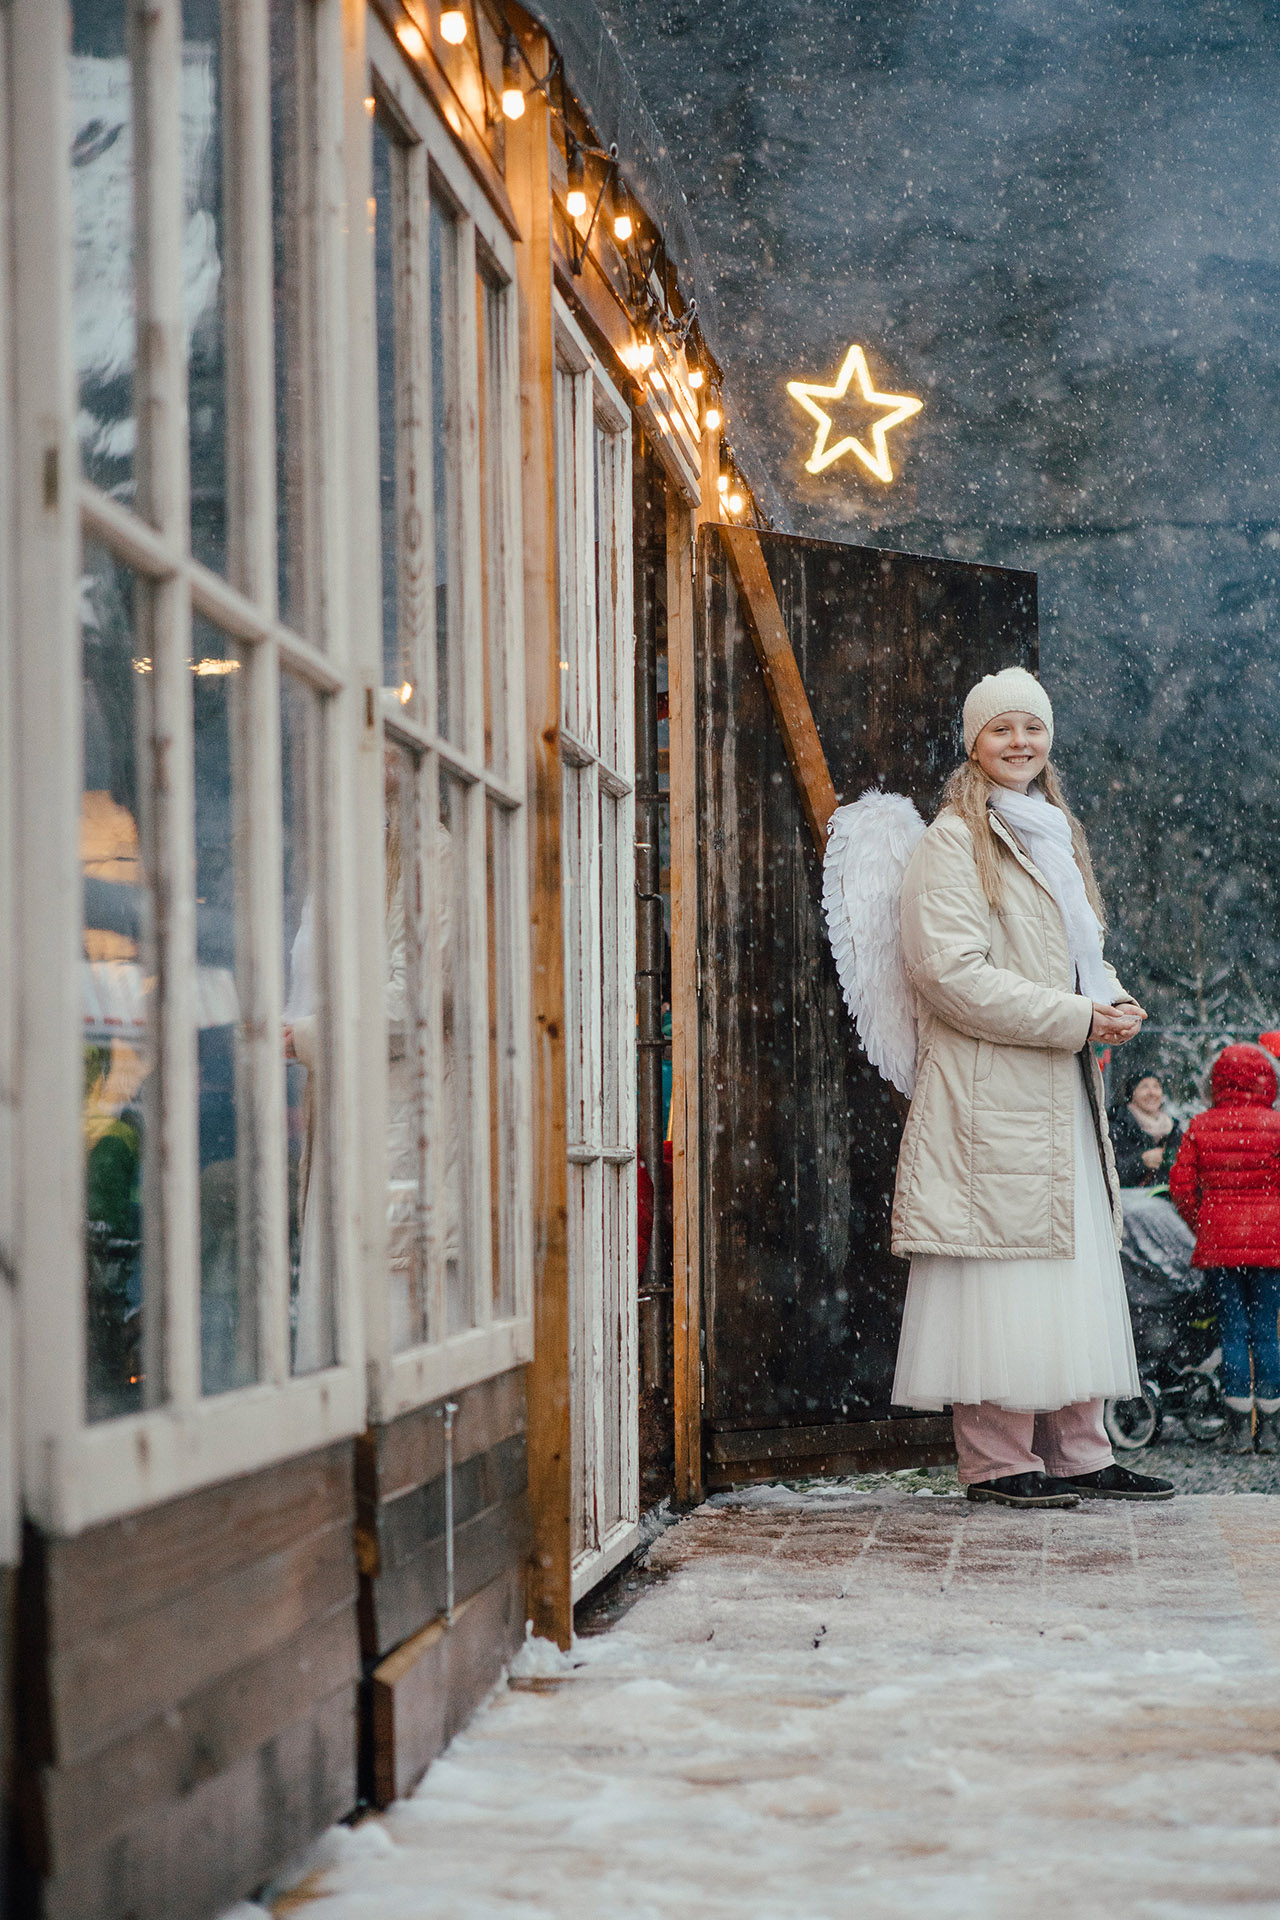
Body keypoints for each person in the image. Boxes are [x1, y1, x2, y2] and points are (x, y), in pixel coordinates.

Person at [890, 666, 1173, 1506]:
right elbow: (950, 975)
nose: (1021, 743)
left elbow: (1074, 960)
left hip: (1061, 1092)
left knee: (1073, 1269)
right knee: (999, 1279)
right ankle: (997, 1460)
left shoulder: (1053, 832)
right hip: (991, 1096)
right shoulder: (953, 840)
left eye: (1033, 728)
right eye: (1002, 728)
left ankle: (1082, 1451)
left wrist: (1109, 997)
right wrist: (1076, 1017)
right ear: (973, 742)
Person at [1169, 1045, 1280, 1454]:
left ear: (1217, 1082)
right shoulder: (1276, 1125)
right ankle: (1268, 1429)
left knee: (1233, 1331)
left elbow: (1181, 1186)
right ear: (1267, 1080)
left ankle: (1237, 1429)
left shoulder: (1201, 1124)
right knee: (1266, 1332)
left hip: (1220, 1244)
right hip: (1270, 1245)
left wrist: (1206, 1222)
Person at [1109, 1073, 1183, 1188]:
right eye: (1144, 1087)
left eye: (1156, 1086)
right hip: (1129, 1201)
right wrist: (1141, 1161)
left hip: (1167, 1201)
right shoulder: (1117, 1127)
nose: (1152, 1093)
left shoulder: (1173, 1130)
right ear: (1132, 1094)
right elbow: (1108, 1172)